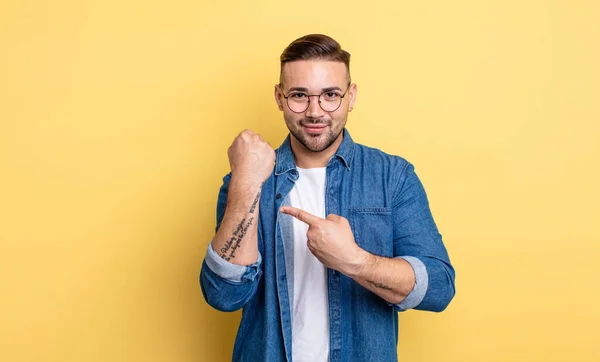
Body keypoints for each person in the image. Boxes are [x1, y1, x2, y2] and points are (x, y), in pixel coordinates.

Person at [200, 34, 456, 362]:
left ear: (351, 96)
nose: (314, 111)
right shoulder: (246, 179)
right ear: (279, 98)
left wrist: (353, 260)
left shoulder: (392, 176)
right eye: (299, 96)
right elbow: (223, 295)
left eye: (330, 95)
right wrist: (246, 184)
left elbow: (438, 288)